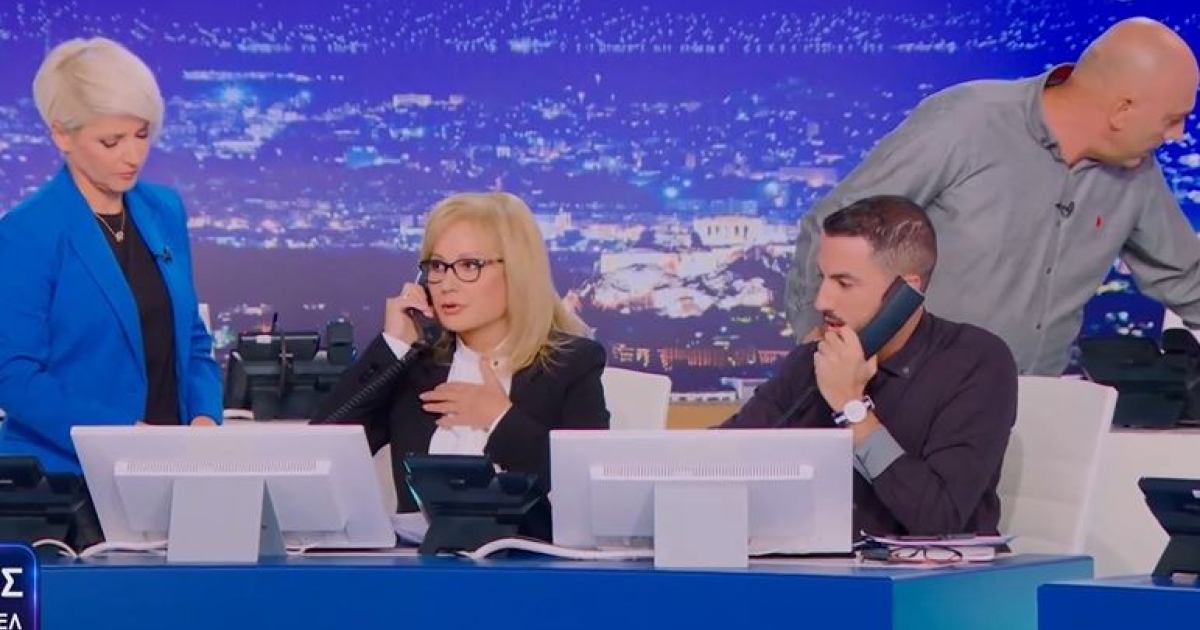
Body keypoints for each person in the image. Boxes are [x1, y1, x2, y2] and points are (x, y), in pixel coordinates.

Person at [785, 17, 1200, 376]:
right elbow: (837, 222)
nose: (1177, 134)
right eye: (1172, 119)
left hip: (1033, 407)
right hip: (913, 401)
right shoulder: (967, 123)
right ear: (1122, 110)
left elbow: (1186, 277)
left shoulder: (1136, 173)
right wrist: (815, 341)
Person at [315, 191, 610, 541]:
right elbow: (321, 456)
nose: (446, 284)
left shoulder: (572, 365)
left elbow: (588, 495)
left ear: (516, 272)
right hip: (422, 567)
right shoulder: (415, 367)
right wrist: (393, 344)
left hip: (528, 569)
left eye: (469, 266)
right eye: (437, 266)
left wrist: (499, 419)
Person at [723, 195, 1017, 537]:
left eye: (844, 283)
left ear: (904, 293)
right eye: (822, 278)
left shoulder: (974, 361)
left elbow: (939, 517)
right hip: (817, 564)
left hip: (934, 568)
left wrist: (852, 408)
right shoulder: (811, 361)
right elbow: (725, 455)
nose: (821, 301)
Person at [0, 37, 222, 475]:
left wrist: (203, 419)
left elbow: (193, 340)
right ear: (61, 134)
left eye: (141, 135)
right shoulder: (26, 232)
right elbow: (15, 375)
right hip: (68, 478)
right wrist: (121, 438)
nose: (133, 155)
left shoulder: (164, 210)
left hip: (174, 467)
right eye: (111, 141)